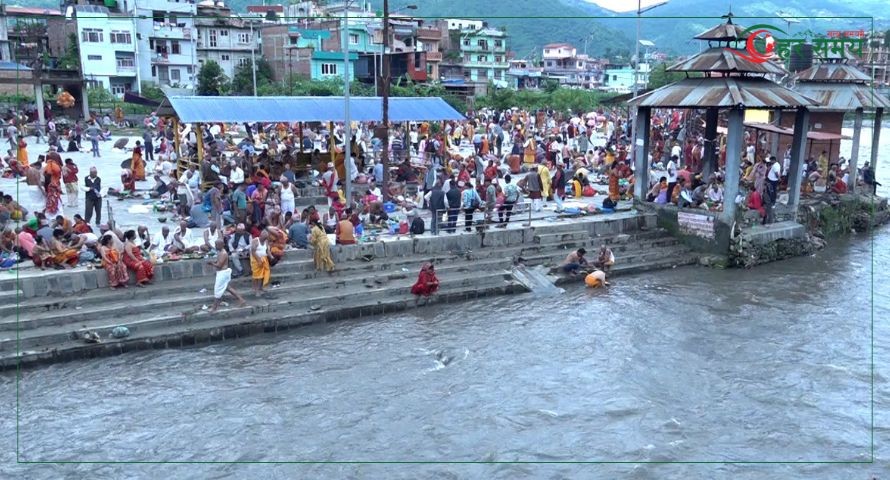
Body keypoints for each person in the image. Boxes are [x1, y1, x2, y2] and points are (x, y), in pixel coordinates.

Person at [208, 239, 246, 312]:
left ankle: (214, 308)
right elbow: (218, 262)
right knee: (228, 288)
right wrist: (214, 262)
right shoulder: (220, 252)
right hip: (222, 272)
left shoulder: (223, 253)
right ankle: (242, 300)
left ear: (222, 245)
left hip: (222, 273)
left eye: (217, 245)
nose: (215, 246)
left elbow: (219, 265)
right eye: (215, 244)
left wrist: (211, 264)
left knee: (217, 290)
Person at [250, 229, 271, 296]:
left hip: (264, 259)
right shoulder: (255, 241)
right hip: (255, 260)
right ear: (260, 236)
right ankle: (256, 290)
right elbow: (253, 251)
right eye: (264, 238)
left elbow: (267, 250)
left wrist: (271, 256)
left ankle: (261, 288)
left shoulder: (266, 241)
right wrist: (259, 260)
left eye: (266, 238)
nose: (264, 239)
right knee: (257, 276)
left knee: (263, 275)